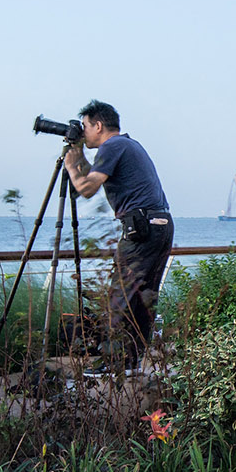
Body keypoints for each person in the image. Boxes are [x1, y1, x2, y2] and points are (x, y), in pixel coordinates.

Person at [62, 100, 173, 366]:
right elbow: (91, 177)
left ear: (98, 125)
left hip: (142, 227)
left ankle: (115, 362)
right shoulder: (127, 144)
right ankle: (130, 360)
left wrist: (69, 165)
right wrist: (78, 154)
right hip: (158, 225)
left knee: (120, 296)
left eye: (86, 127)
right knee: (142, 297)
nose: (83, 132)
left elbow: (86, 189)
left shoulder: (112, 145)